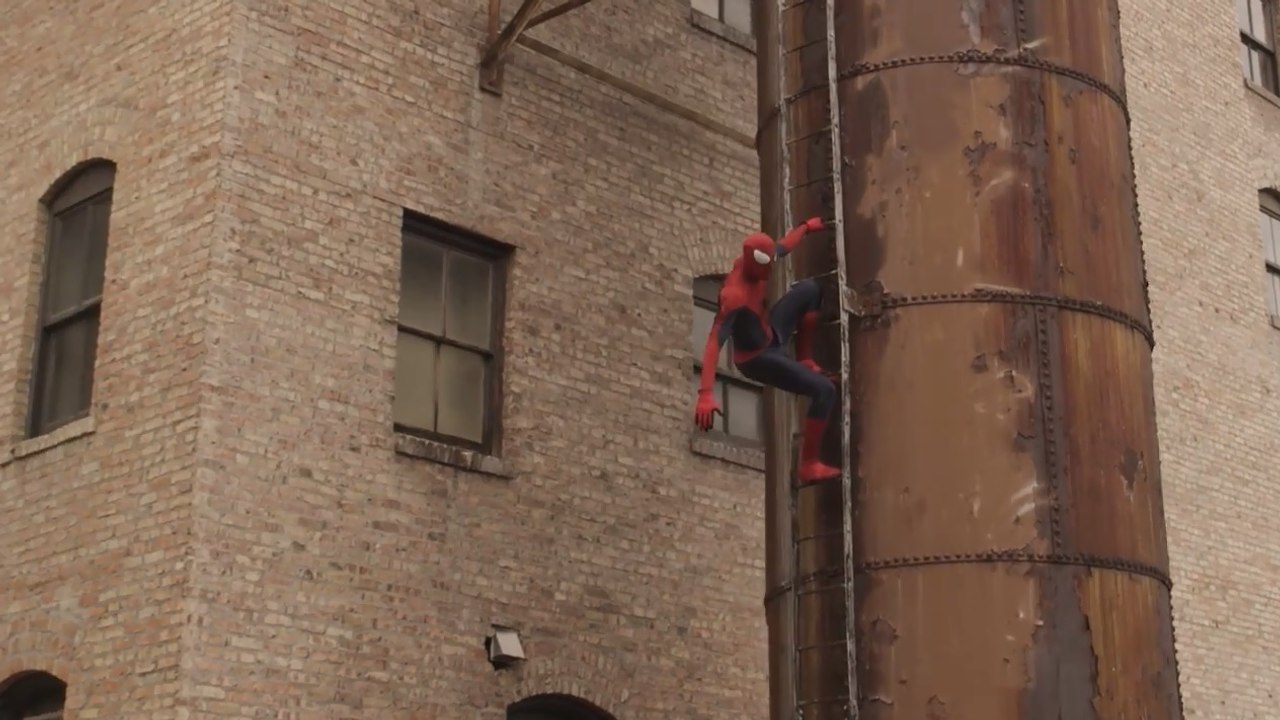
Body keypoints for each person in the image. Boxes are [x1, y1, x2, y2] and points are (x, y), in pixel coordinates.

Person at [693, 217, 840, 484]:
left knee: (810, 290)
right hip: (758, 359)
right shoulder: (734, 296)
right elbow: (714, 342)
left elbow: (784, 245)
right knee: (824, 390)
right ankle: (808, 464)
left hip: (771, 334)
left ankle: (805, 358)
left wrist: (806, 227)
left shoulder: (765, 260)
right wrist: (705, 394)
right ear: (751, 264)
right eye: (764, 269)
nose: (769, 274)